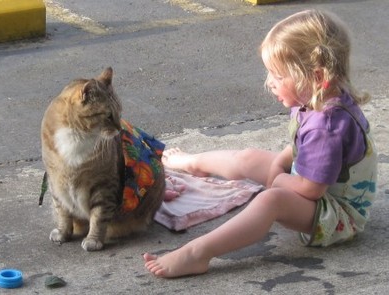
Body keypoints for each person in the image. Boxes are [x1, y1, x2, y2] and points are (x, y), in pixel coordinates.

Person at [143, 9, 378, 278]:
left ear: (316, 77)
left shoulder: (326, 124)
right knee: (249, 158)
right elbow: (310, 151)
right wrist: (279, 162)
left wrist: (277, 180)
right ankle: (193, 163)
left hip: (338, 215)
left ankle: (198, 253)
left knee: (271, 201)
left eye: (278, 76)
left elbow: (311, 189)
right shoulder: (320, 99)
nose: (270, 83)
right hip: (320, 189)